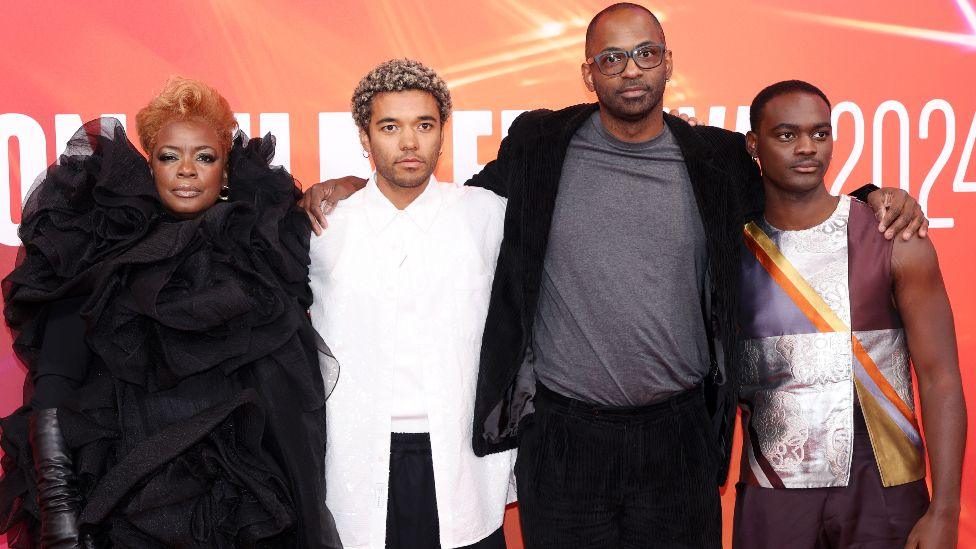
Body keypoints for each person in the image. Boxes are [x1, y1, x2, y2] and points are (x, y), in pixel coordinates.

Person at [301, 4, 928, 547]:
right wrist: (364, 189)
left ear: (667, 62)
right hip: (564, 436)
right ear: (588, 73)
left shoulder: (716, 159)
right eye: (612, 58)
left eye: (645, 53)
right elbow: (453, 207)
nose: (631, 69)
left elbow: (793, 198)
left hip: (678, 436)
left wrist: (874, 197)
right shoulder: (539, 144)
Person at [0, 77, 341, 548]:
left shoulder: (258, 249)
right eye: (169, 156)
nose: (186, 170)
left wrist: (347, 185)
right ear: (150, 166)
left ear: (226, 172)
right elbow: (55, 381)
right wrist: (60, 513)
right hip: (123, 508)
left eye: (204, 156)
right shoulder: (100, 246)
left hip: (241, 508)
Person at [734, 80, 965, 549]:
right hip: (772, 488)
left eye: (820, 134)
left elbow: (940, 377)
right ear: (753, 145)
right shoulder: (727, 247)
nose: (807, 148)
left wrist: (945, 510)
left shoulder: (893, 234)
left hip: (884, 489)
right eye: (786, 135)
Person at [309, 59, 514, 549]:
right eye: (389, 127)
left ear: (443, 131)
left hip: (463, 459)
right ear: (364, 136)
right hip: (354, 459)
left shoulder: (488, 215)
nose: (408, 143)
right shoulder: (322, 227)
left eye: (424, 125)